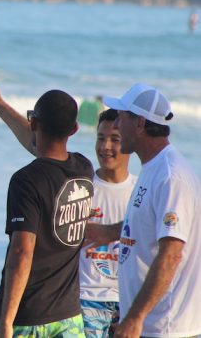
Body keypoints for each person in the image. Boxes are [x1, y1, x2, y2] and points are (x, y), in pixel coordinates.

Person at [0, 77, 94, 338]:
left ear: (34, 122)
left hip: (27, 317)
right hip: (69, 318)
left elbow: (22, 251)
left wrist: (7, 322)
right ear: (74, 129)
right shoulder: (84, 170)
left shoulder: (26, 180)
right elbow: (41, 150)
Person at [85, 83, 201, 337]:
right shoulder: (152, 167)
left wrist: (135, 317)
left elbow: (171, 254)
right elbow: (148, 224)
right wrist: (104, 233)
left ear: (139, 124)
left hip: (167, 328)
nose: (115, 124)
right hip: (146, 324)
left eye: (121, 117)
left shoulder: (171, 177)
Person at [80, 109, 136, 337]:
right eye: (100, 138)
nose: (105, 147)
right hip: (86, 298)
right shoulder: (82, 188)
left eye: (115, 139)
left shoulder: (140, 190)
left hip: (128, 302)